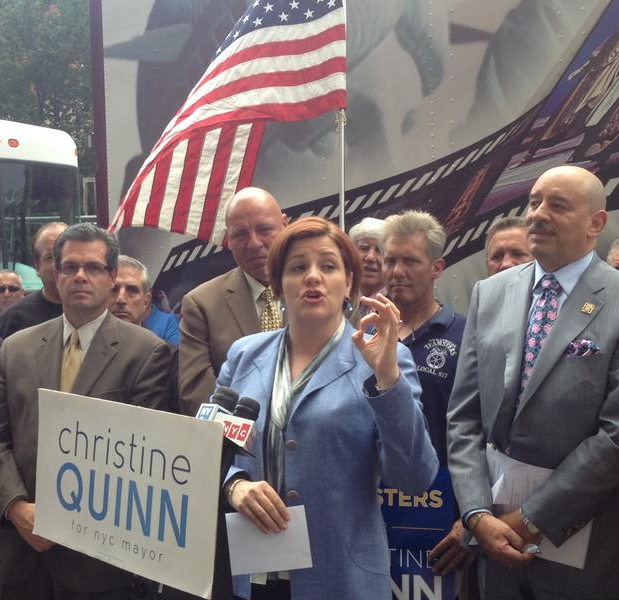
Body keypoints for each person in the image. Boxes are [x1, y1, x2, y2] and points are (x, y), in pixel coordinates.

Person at [219, 216, 438, 600]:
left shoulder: (384, 358)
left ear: (349, 282)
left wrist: (387, 378)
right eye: (298, 267)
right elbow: (210, 449)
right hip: (250, 575)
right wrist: (233, 484)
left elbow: (414, 478)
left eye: (328, 266)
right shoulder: (243, 355)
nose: (312, 277)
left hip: (341, 578)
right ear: (278, 284)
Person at [447, 165, 619, 599]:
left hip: (581, 554)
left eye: (558, 205)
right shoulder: (490, 294)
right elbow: (465, 417)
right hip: (493, 550)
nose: (538, 215)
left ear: (595, 224)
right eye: (534, 202)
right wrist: (477, 514)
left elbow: (616, 436)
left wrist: (532, 518)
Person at [0, 223, 171, 600]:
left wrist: (69, 522)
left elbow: (145, 460)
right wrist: (16, 507)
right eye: (69, 266)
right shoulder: (16, 348)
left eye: (93, 267)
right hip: (24, 555)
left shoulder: (146, 352)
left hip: (100, 566)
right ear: (55, 272)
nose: (80, 276)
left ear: (112, 276)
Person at [382, 210, 471, 578]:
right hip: (372, 512)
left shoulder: (465, 336)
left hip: (440, 515)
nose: (396, 270)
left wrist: (471, 518)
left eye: (410, 261)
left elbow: (480, 435)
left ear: (436, 267)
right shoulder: (359, 336)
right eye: (390, 260)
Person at [179, 187, 288, 415]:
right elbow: (198, 397)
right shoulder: (202, 305)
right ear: (228, 240)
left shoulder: (317, 294)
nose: (255, 243)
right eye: (240, 235)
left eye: (265, 229)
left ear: (285, 225)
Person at [0, 222, 67, 338]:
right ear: (37, 265)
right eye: (51, 257)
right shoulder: (12, 320)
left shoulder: (98, 312)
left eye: (67, 255)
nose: (62, 263)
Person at [109, 255, 179, 345]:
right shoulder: (86, 344)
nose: (121, 299)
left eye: (132, 291)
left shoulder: (160, 353)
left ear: (146, 301)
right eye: (113, 289)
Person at [348, 216, 386, 318]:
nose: (370, 257)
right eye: (364, 248)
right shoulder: (339, 302)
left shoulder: (403, 306)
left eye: (379, 250)